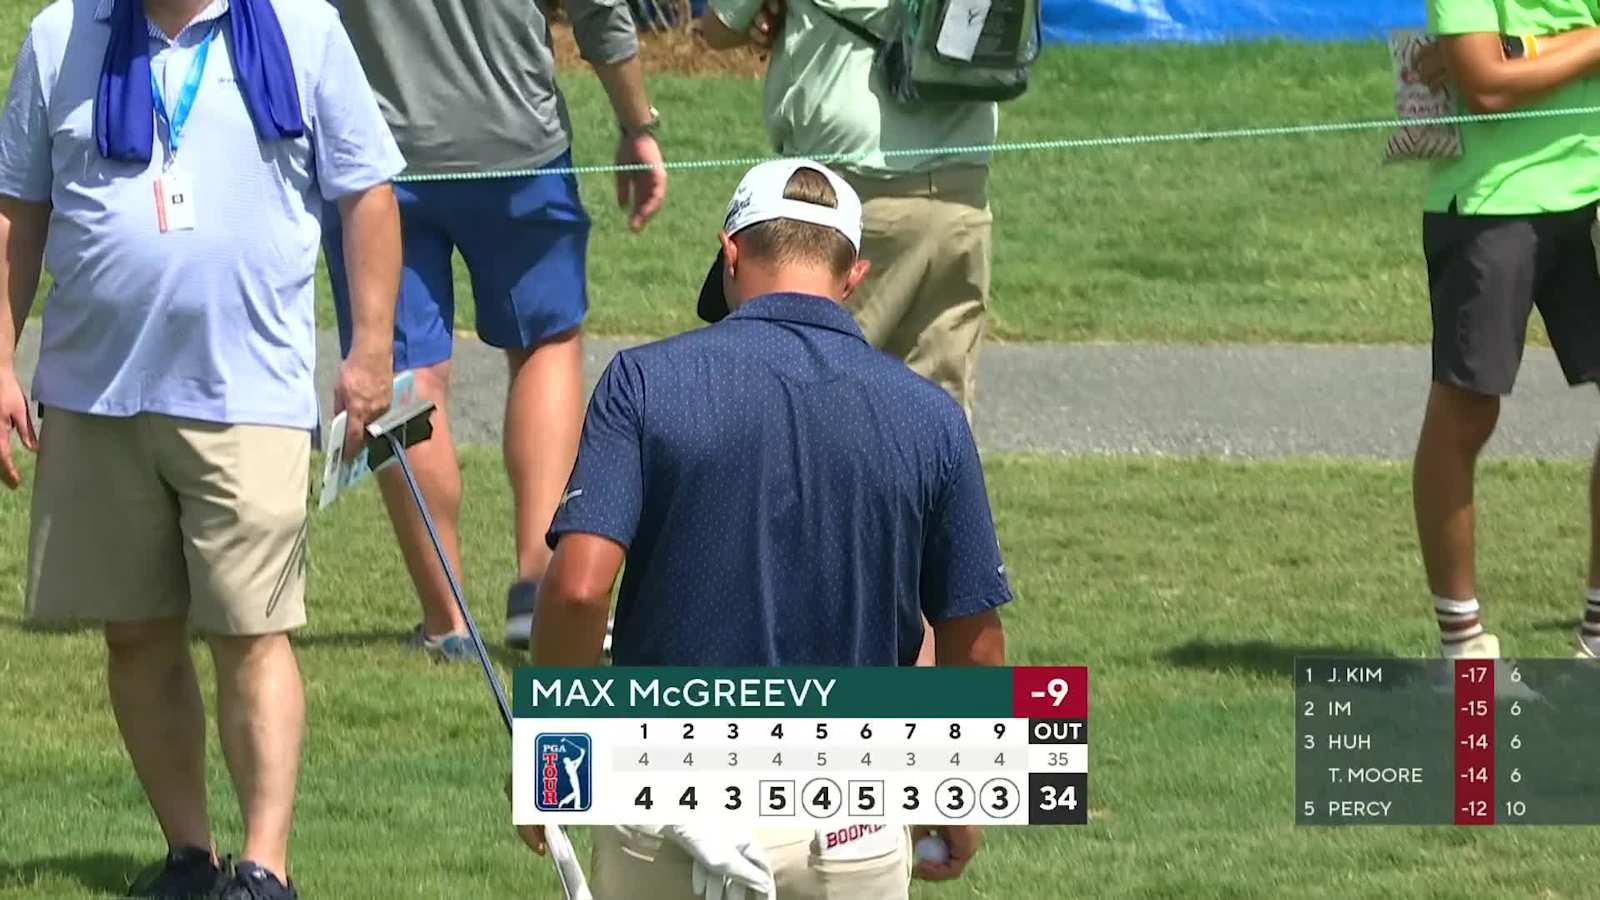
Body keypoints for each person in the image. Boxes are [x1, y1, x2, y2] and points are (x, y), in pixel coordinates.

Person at [517, 160, 1012, 898]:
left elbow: (581, 590)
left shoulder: (642, 383)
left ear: (730, 253)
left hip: (672, 813)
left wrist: (548, 761)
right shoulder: (930, 418)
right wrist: (960, 791)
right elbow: (976, 639)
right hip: (850, 823)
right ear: (853, 275)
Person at [0, 0, 404, 897]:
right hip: (96, 394)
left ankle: (265, 866)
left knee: (252, 632)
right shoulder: (60, 37)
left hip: (247, 393)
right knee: (135, 636)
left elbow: (367, 194)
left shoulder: (303, 28)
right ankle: (189, 854)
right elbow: (17, 212)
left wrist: (371, 351)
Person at [325, 0, 669, 660]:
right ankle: (538, 587)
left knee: (403, 375)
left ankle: (445, 622)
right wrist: (636, 123)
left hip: (374, 152)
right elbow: (600, 9)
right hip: (518, 143)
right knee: (545, 343)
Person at [696, 0, 998, 423]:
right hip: (962, 195)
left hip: (847, 202)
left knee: (814, 409)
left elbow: (719, 27)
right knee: (936, 421)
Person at [1415, 3, 1600, 662]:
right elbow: (1486, 84)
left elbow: (1496, 66)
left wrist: (1526, 49)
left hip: (1592, 197)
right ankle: (1462, 645)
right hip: (1492, 204)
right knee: (1467, 412)